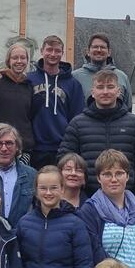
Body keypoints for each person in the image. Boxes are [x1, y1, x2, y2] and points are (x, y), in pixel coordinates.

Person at [59, 69, 135, 198]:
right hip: (88, 197)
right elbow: (65, 158)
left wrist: (133, 180)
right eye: (100, 87)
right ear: (92, 92)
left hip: (126, 196)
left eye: (110, 87)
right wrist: (82, 182)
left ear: (118, 91)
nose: (105, 92)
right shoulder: (77, 124)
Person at [27, 34, 85, 169]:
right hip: (34, 148)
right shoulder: (29, 80)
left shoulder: (73, 84)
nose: (53, 54)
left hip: (62, 149)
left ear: (62, 53)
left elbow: (77, 118)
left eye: (57, 51)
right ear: (42, 51)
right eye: (49, 50)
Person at [74, 33, 133, 108]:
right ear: (88, 52)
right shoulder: (76, 77)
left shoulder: (122, 77)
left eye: (102, 47)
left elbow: (128, 107)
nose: (99, 50)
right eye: (95, 47)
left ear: (109, 52)